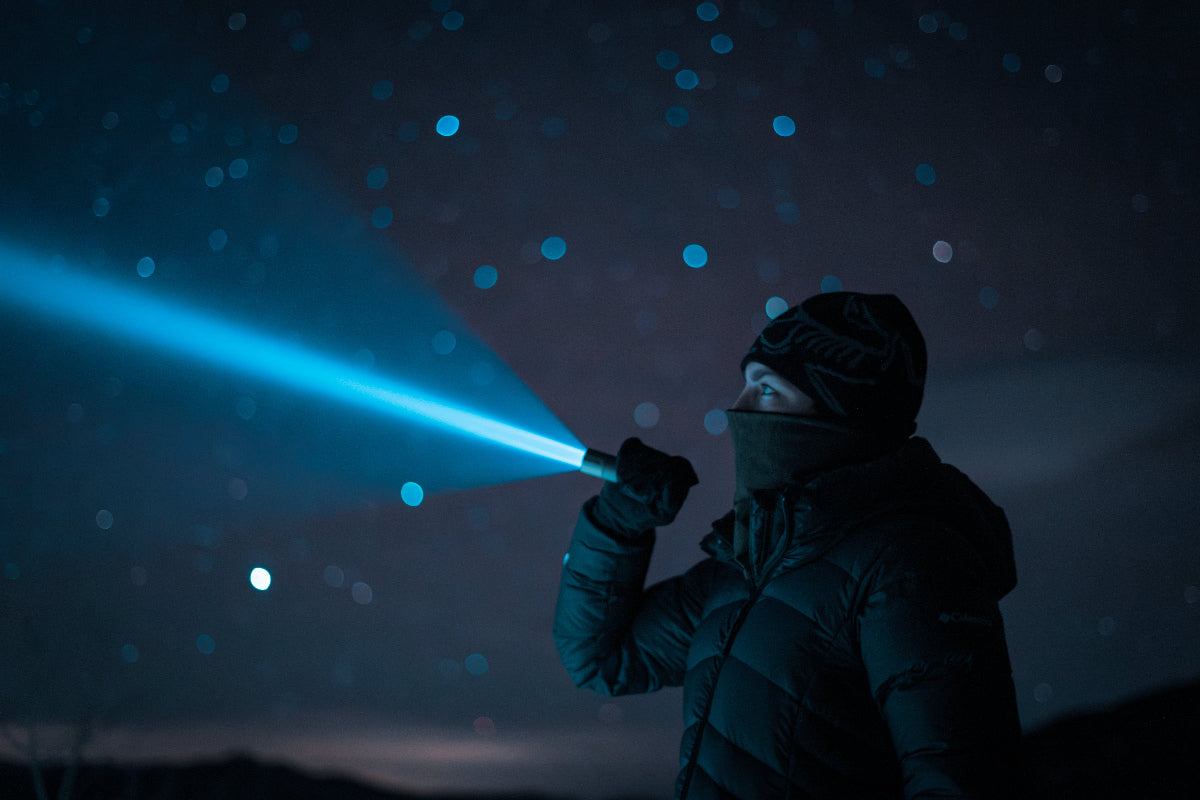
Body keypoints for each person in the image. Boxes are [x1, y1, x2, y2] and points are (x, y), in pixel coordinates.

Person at [553, 292, 1021, 799]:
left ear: (838, 404)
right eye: (745, 386)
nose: (739, 409)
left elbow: (961, 783)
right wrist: (618, 522)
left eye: (767, 390)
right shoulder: (745, 568)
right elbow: (599, 658)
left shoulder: (912, 564)